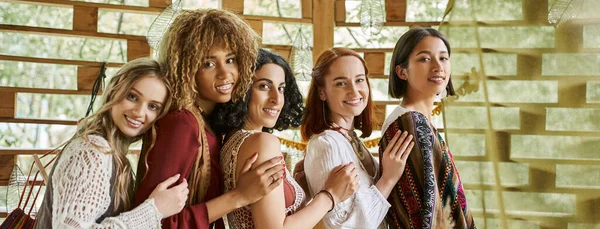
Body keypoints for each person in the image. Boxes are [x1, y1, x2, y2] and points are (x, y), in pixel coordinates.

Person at [133, 9, 285, 229]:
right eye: (209, 64)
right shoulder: (182, 123)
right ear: (186, 67)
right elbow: (150, 221)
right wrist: (239, 196)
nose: (225, 73)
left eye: (230, 59)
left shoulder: (208, 125)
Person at [212, 49, 359, 229]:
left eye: (281, 88)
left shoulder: (231, 139)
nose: (276, 99)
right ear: (242, 89)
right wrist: (331, 195)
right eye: (264, 86)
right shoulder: (262, 142)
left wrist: (299, 189)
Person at [34, 58, 188, 228]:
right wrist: (153, 210)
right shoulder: (92, 151)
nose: (139, 112)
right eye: (132, 96)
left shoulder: (112, 153)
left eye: (153, 106)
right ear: (114, 91)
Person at [301, 48, 415, 229]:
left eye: (360, 80)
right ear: (322, 92)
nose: (354, 91)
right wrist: (388, 179)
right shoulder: (326, 144)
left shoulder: (350, 139)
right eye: (340, 83)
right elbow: (347, 226)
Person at [381, 27, 476, 229]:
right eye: (424, 59)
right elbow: (426, 211)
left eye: (443, 58)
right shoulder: (409, 124)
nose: (438, 66)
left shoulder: (418, 121)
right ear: (402, 71)